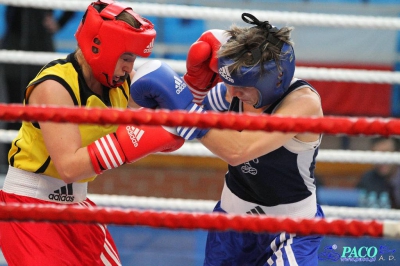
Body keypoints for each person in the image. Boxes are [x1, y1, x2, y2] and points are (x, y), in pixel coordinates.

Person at [130, 13, 324, 266]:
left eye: (241, 86)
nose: (231, 92)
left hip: (291, 230)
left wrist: (187, 112)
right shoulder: (233, 92)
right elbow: (176, 123)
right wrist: (192, 90)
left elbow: (239, 150)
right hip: (231, 223)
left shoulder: (302, 104)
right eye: (229, 83)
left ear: (273, 79)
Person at [0, 1, 184, 265]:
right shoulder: (55, 87)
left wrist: (187, 104)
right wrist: (130, 142)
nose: (130, 68)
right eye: (126, 57)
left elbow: (163, 137)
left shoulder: (123, 85)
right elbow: (69, 166)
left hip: (77, 206)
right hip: (29, 208)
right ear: (102, 47)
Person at [0, 6, 75, 168]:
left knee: (42, 112)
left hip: (42, 47)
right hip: (14, 44)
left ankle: (41, 164)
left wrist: (60, 23)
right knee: (14, 109)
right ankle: (10, 166)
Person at [356, 137, 400, 209]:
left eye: (385, 153)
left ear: (397, 153)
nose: (381, 159)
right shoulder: (367, 179)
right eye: (376, 154)